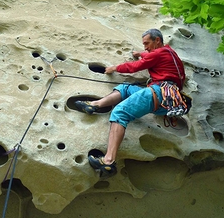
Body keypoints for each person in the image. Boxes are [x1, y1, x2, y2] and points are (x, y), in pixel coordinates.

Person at [75, 28, 186, 178]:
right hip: (167, 101)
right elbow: (149, 55)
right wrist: (141, 53)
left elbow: (135, 66)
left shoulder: (159, 53)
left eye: (147, 43)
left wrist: (114, 67)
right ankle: (95, 105)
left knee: (120, 113)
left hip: (158, 92)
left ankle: (108, 161)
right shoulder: (170, 54)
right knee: (125, 88)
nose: (145, 47)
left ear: (157, 40)